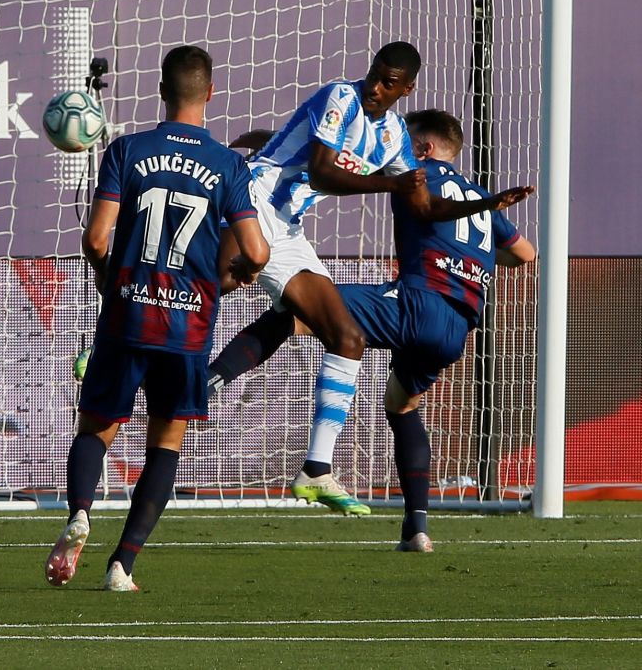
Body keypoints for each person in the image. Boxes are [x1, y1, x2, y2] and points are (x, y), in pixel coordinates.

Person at [211, 42, 532, 515]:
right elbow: (322, 172)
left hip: (291, 229)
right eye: (375, 75)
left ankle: (315, 470)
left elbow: (425, 208)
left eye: (388, 83)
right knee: (217, 284)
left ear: (407, 88)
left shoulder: (396, 136)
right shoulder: (340, 97)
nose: (376, 88)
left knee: (346, 335)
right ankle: (114, 349)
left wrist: (487, 204)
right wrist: (392, 182)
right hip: (254, 202)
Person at [44, 45, 268, 592]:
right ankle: (122, 565)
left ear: (161, 90)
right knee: (165, 443)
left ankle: (78, 512)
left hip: (127, 314)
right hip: (187, 326)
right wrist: (227, 280)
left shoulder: (127, 151)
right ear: (210, 94)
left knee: (97, 425)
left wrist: (107, 277)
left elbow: (96, 239)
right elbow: (257, 253)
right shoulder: (228, 165)